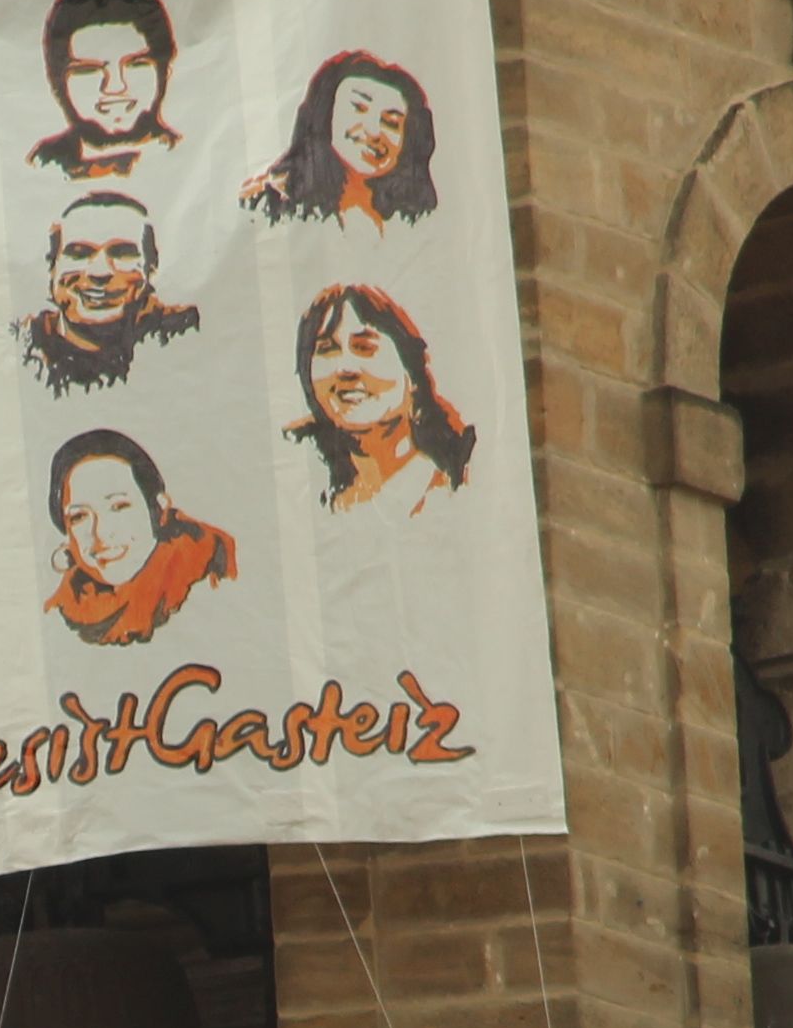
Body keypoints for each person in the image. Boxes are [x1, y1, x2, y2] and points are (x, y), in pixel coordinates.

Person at [281, 282, 481, 514]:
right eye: (327, 349)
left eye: (365, 347)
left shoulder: (458, 471)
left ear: (410, 370)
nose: (345, 368)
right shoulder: (301, 469)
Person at [42, 425, 236, 646]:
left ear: (159, 508)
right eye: (78, 517)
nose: (101, 533)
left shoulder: (211, 574)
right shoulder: (63, 609)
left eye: (119, 506)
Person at [15, 190, 203, 392]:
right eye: (79, 253)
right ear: (51, 267)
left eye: (122, 253)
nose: (100, 272)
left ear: (151, 267)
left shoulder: (186, 333)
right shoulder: (18, 345)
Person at [239, 50, 440, 226]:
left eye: (391, 123)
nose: (373, 130)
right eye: (359, 108)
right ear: (325, 113)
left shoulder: (412, 219)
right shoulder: (269, 202)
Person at [24, 0, 182, 180]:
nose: (115, 88)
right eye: (88, 70)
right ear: (58, 81)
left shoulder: (190, 157)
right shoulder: (42, 165)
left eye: (135, 65)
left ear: (164, 70)